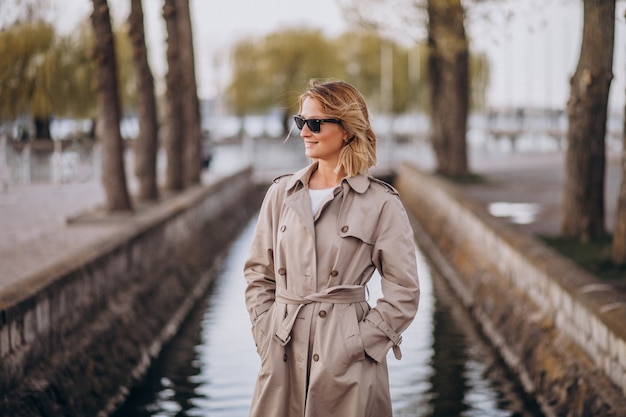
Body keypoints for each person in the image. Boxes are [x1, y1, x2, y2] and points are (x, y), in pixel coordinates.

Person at [244, 79, 420, 417]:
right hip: (282, 349)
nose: (304, 132)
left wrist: (358, 343)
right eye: (300, 122)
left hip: (348, 361)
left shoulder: (381, 203)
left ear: (347, 129)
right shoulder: (281, 193)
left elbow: (404, 290)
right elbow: (258, 273)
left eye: (315, 123)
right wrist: (265, 331)